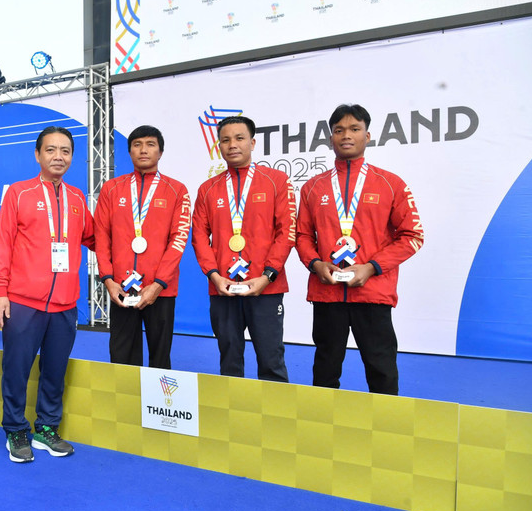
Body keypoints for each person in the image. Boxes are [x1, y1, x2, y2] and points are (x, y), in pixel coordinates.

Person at [296, 104, 424, 395]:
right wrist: (316, 264)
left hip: (373, 293)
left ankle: (386, 432)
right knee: (325, 368)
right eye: (339, 130)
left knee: (381, 368)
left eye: (354, 129)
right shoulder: (313, 188)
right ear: (330, 139)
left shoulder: (392, 184)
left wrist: (371, 267)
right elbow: (302, 235)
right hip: (327, 292)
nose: (346, 135)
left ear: (368, 136)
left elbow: (412, 235)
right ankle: (323, 428)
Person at [0, 126, 95, 463]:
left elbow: (95, 239)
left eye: (65, 151)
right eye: (51, 150)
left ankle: (47, 429)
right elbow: (3, 245)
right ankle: (16, 430)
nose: (58, 156)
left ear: (72, 157)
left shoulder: (78, 199)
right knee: (17, 369)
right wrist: (0, 291)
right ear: (38, 155)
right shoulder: (19, 194)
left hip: (65, 305)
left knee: (54, 371)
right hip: (22, 302)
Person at [192, 116, 297, 381]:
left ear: (252, 143)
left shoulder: (277, 181)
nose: (232, 145)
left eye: (239, 138)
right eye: (225, 140)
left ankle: (275, 418)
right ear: (219, 146)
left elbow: (287, 233)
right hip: (222, 287)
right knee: (229, 357)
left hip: (266, 286)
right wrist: (214, 276)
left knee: (271, 357)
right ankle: (233, 416)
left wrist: (268, 276)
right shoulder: (207, 189)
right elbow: (200, 238)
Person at [94, 125, 191, 369]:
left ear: (160, 152)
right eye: (137, 145)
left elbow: (178, 240)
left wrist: (158, 284)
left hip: (161, 290)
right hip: (122, 289)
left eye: (150, 144)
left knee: (160, 357)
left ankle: (157, 406)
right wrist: (108, 280)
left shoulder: (177, 190)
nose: (143, 150)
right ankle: (126, 405)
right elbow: (101, 237)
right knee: (121, 356)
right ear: (129, 152)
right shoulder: (111, 189)